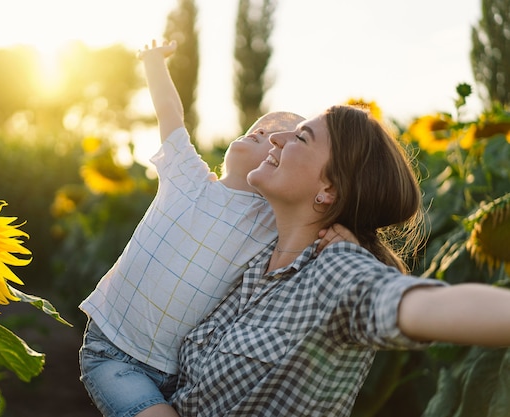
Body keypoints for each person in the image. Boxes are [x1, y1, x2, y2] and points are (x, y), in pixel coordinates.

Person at [171, 104, 510, 416]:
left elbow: (424, 306)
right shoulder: (250, 254)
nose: (276, 137)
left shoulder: (336, 270)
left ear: (329, 190)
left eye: (301, 137)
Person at [78, 40, 352, 417]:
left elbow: (315, 214)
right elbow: (170, 113)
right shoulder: (188, 177)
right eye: (259, 128)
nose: (264, 134)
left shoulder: (269, 222)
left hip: (183, 374)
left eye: (279, 137)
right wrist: (154, 61)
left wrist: (342, 234)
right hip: (112, 349)